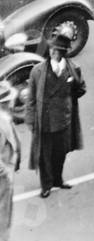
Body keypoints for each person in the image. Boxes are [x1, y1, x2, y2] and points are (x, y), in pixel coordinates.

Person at [26, 30, 86, 197]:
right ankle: (46, 185)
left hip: (63, 120)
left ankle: (58, 180)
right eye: (52, 49)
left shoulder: (73, 69)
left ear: (63, 53)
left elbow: (81, 88)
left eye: (57, 50)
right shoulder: (37, 72)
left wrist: (68, 96)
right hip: (44, 122)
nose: (53, 52)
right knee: (44, 157)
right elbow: (30, 99)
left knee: (61, 153)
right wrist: (31, 121)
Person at [0, 81, 19, 241]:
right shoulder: (0, 123)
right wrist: (5, 173)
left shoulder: (5, 118)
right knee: (3, 217)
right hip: (2, 179)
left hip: (6, 175)